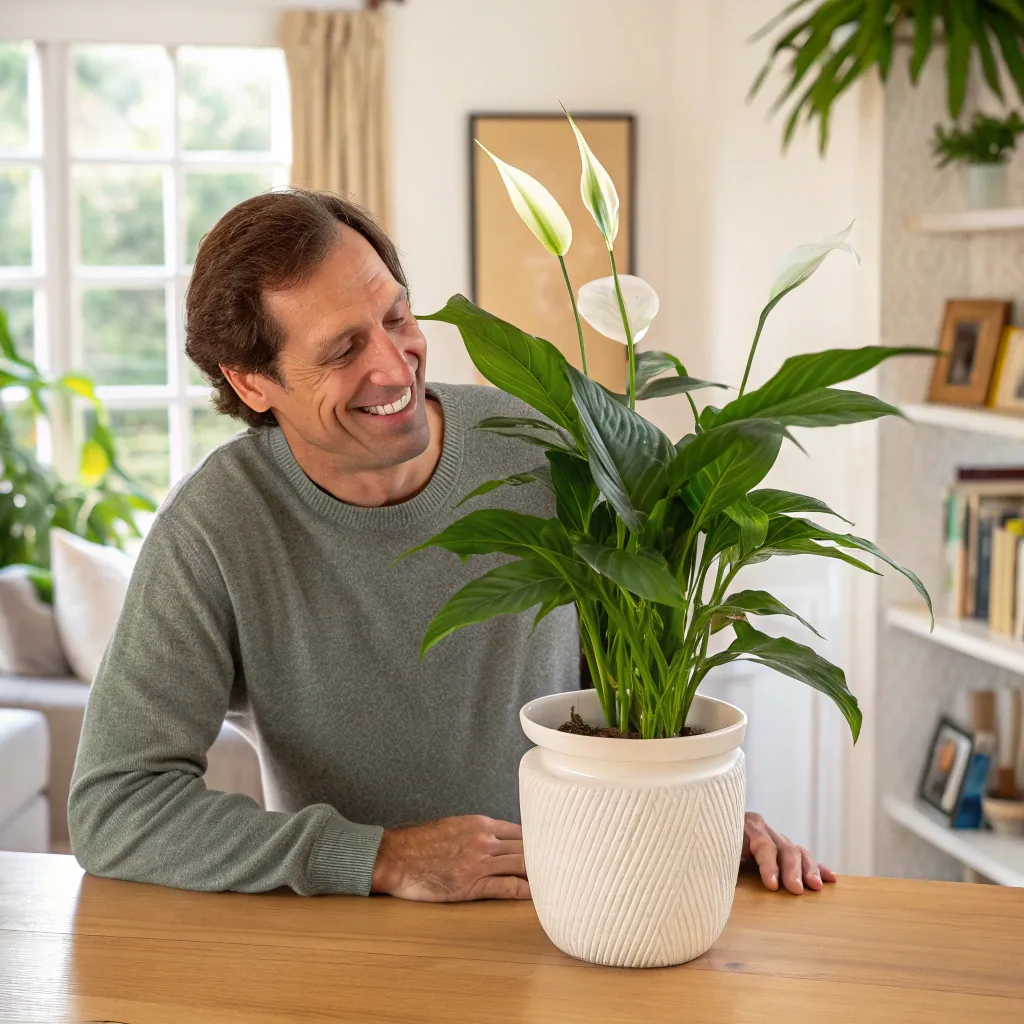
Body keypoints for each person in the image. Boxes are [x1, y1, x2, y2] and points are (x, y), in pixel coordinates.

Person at [69, 189, 835, 901]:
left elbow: (633, 697)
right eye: (341, 351)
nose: (392, 363)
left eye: (397, 318)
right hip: (348, 946)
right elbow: (114, 807)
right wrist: (379, 857)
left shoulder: (549, 446)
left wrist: (686, 809)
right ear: (252, 384)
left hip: (572, 909)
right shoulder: (216, 525)